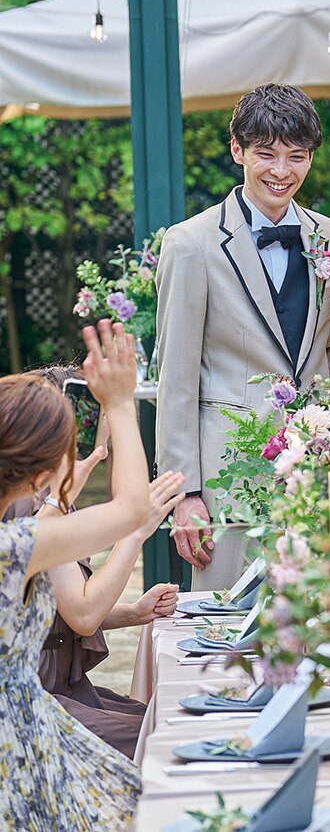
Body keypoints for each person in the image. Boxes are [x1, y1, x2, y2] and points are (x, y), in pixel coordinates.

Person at [156, 83, 330, 586]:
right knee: (224, 620)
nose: (281, 171)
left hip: (316, 469)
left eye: (296, 156)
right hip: (228, 474)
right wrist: (184, 492)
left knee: (315, 613)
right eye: (266, 154)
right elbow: (176, 376)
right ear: (237, 150)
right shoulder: (190, 243)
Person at [0, 320, 147, 828]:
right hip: (18, 741)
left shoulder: (25, 532)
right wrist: (122, 404)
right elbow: (132, 509)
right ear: (41, 470)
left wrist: (62, 494)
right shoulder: (16, 545)